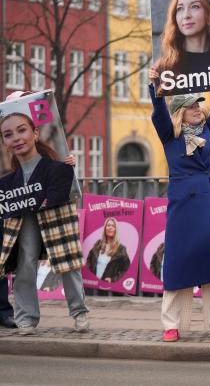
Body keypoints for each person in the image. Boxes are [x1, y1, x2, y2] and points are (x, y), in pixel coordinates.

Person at [148, 59, 210, 342]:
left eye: (198, 105)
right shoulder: (169, 135)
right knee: (178, 263)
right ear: (179, 112)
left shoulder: (209, 130)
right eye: (191, 106)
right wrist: (155, 85)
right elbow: (159, 111)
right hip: (183, 207)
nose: (197, 109)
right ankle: (171, 324)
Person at [0, 92, 89, 335]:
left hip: (56, 213)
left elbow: (62, 190)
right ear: (4, 143)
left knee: (67, 260)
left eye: (21, 130)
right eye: (8, 134)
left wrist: (67, 168)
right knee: (24, 263)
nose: (16, 138)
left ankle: (79, 312)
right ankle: (26, 317)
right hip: (23, 216)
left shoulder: (58, 168)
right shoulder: (8, 181)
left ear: (35, 133)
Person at [85, 217, 131, 283]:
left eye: (113, 226)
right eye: (108, 225)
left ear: (116, 230)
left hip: (109, 288)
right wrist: (91, 276)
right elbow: (89, 261)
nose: (110, 227)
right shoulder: (97, 244)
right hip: (94, 285)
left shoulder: (121, 249)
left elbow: (126, 270)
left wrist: (113, 279)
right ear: (105, 228)